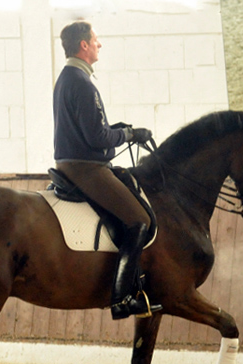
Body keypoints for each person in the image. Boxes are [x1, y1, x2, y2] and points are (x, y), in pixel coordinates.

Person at [53, 20, 162, 320]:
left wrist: (119, 129)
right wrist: (130, 135)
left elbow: (91, 130)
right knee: (139, 219)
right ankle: (122, 298)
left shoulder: (67, 77)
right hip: (86, 168)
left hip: (71, 162)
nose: (99, 44)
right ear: (84, 45)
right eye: (95, 40)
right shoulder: (83, 84)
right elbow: (97, 138)